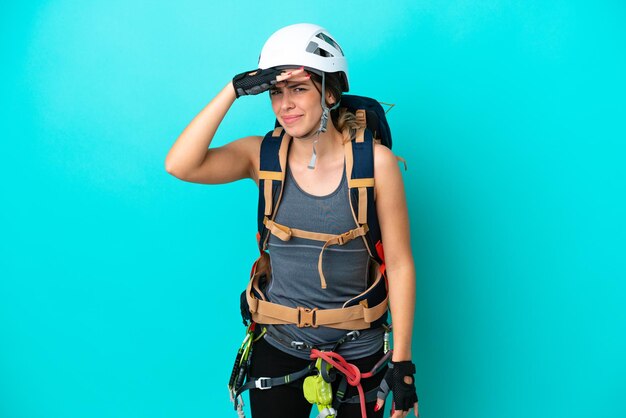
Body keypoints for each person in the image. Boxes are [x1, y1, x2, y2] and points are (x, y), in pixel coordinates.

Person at [165, 23, 418, 418]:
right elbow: (180, 164)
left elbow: (400, 264)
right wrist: (232, 91)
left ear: (329, 93)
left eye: (298, 89)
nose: (285, 104)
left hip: (359, 349)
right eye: (275, 92)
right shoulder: (261, 157)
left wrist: (402, 366)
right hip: (280, 345)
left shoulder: (375, 165)